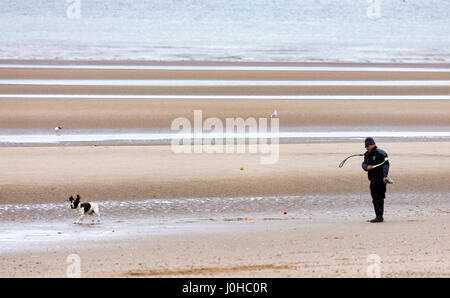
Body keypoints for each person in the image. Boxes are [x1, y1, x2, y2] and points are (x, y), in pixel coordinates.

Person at [362, 137, 390, 223]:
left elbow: (386, 165)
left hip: (381, 179)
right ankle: (378, 216)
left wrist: (385, 176)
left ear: (372, 144)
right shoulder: (367, 154)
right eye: (366, 147)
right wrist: (366, 167)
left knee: (380, 197)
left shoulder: (381, 153)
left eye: (368, 146)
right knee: (374, 197)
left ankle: (379, 216)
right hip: (372, 179)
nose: (367, 148)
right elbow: (363, 164)